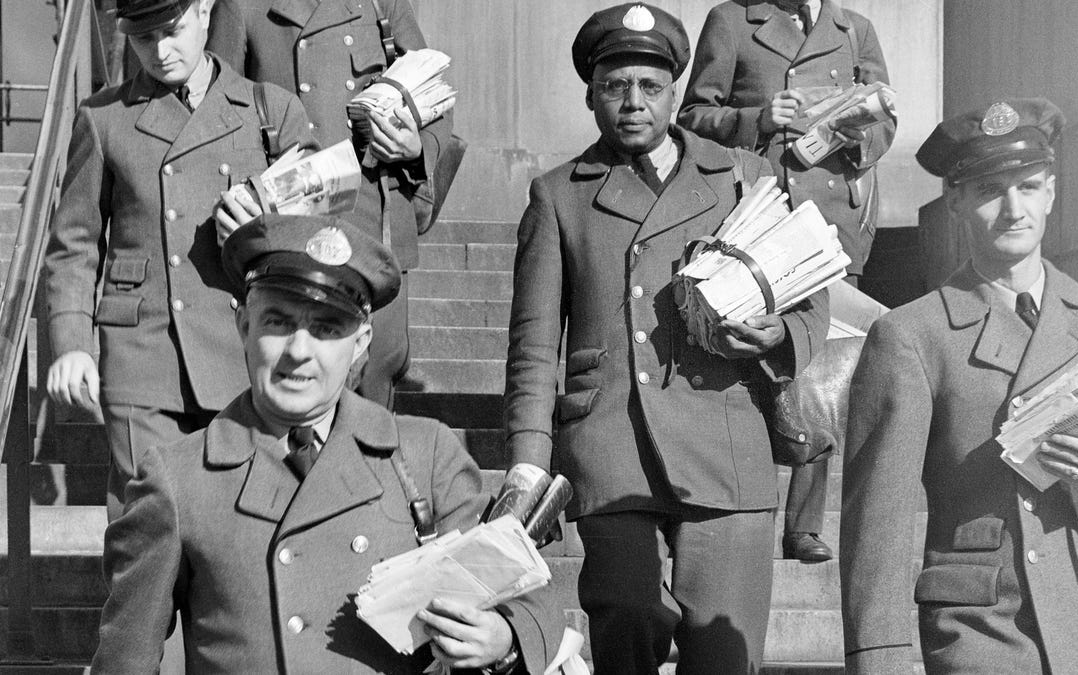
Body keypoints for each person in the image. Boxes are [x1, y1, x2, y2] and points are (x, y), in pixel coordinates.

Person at [503, 4, 830, 673]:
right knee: (622, 619)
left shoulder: (743, 176)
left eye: (650, 88)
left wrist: (776, 333)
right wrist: (527, 465)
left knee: (725, 649)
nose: (632, 103)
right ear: (590, 94)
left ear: (677, 91)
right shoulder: (559, 194)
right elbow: (535, 349)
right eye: (614, 87)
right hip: (612, 443)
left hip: (725, 439)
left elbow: (810, 299)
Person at [91, 214, 564, 674]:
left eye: (326, 329)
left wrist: (501, 640)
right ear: (243, 327)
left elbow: (526, 594)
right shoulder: (179, 478)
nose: (299, 351)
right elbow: (125, 655)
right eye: (277, 322)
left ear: (360, 344)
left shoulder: (424, 455)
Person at [839, 98, 1078, 674]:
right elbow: (877, 517)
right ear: (955, 201)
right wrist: (877, 658)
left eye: (1029, 186)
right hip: (986, 625)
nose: (1013, 209)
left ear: (1051, 193)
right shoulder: (912, 336)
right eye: (989, 189)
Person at [43, 0, 316, 518]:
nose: (162, 52)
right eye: (144, 39)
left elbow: (316, 239)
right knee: (147, 525)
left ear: (205, 12)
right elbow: (74, 244)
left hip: (241, 352)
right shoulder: (105, 120)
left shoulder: (269, 112)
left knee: (236, 532)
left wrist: (259, 231)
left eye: (173, 31)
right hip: (142, 354)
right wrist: (72, 343)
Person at [678, 0, 895, 563]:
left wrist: (856, 134)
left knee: (820, 358)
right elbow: (693, 115)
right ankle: (737, 502)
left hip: (834, 220)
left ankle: (804, 524)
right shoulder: (732, 19)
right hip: (761, 213)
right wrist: (758, 119)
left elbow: (886, 120)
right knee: (749, 353)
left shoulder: (855, 29)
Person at [206, 0, 455, 407]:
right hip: (287, 225)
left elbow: (435, 94)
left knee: (374, 377)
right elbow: (218, 113)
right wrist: (244, 194)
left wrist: (416, 146)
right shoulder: (242, 6)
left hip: (374, 222)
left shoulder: (382, 3)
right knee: (295, 378)